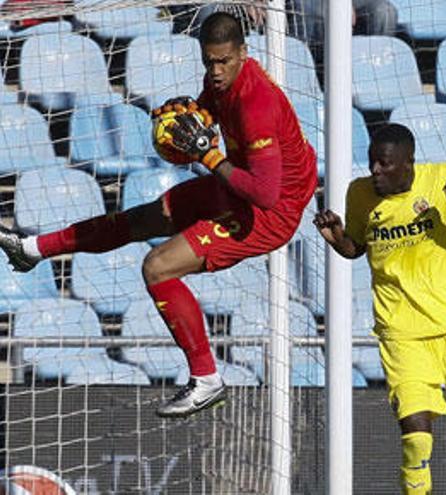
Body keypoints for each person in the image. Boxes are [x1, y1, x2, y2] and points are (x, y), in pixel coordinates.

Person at [0, 12, 318, 418]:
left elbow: (266, 194)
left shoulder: (257, 103)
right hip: (235, 188)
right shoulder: (220, 80)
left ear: (243, 53)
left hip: (269, 214)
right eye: (209, 62)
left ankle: (206, 379)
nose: (216, 71)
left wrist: (208, 155)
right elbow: (205, 119)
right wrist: (186, 122)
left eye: (224, 62)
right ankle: (31, 249)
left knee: (158, 267)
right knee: (140, 220)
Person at [312, 124, 446, 495]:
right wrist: (337, 239)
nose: (375, 170)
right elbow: (356, 247)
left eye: (384, 164)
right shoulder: (359, 193)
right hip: (402, 334)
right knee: (417, 441)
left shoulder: (442, 179)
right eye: (373, 161)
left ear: (408, 164)